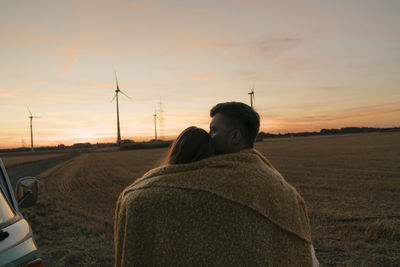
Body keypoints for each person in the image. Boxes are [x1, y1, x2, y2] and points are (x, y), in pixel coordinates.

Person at [114, 102, 318, 266]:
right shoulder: (275, 181)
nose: (209, 137)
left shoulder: (219, 178)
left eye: (213, 131)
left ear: (235, 137)